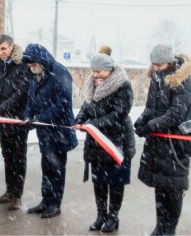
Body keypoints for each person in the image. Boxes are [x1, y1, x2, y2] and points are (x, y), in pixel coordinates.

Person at [135, 44, 191, 236]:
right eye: (154, 64)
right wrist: (141, 121)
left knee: (174, 188)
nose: (156, 68)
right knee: (160, 186)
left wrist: (151, 126)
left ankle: (169, 229)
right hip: (158, 144)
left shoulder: (181, 80)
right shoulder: (156, 78)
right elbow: (150, 107)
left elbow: (176, 114)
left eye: (159, 65)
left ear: (169, 62)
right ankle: (160, 226)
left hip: (174, 145)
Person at [75, 46, 135, 232]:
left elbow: (119, 113)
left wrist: (94, 123)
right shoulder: (92, 84)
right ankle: (101, 215)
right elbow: (87, 106)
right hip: (96, 143)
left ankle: (113, 217)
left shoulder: (122, 86)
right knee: (99, 181)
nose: (95, 75)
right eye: (93, 71)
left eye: (98, 71)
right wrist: (79, 119)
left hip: (117, 142)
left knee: (115, 182)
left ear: (109, 70)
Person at [22, 43, 78, 218]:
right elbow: (31, 99)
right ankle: (45, 201)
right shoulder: (35, 75)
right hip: (44, 130)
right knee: (46, 167)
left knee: (57, 168)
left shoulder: (60, 73)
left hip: (59, 130)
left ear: (42, 61)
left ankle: (55, 204)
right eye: (29, 66)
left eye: (33, 65)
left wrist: (40, 119)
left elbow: (63, 104)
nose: (31, 69)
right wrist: (27, 116)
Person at [0, 34, 29, 210]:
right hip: (2, 118)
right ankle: (9, 191)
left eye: (3, 48)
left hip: (17, 118)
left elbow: (21, 92)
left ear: (12, 47)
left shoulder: (22, 64)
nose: (1, 52)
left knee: (19, 158)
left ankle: (17, 195)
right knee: (8, 157)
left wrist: (1, 109)